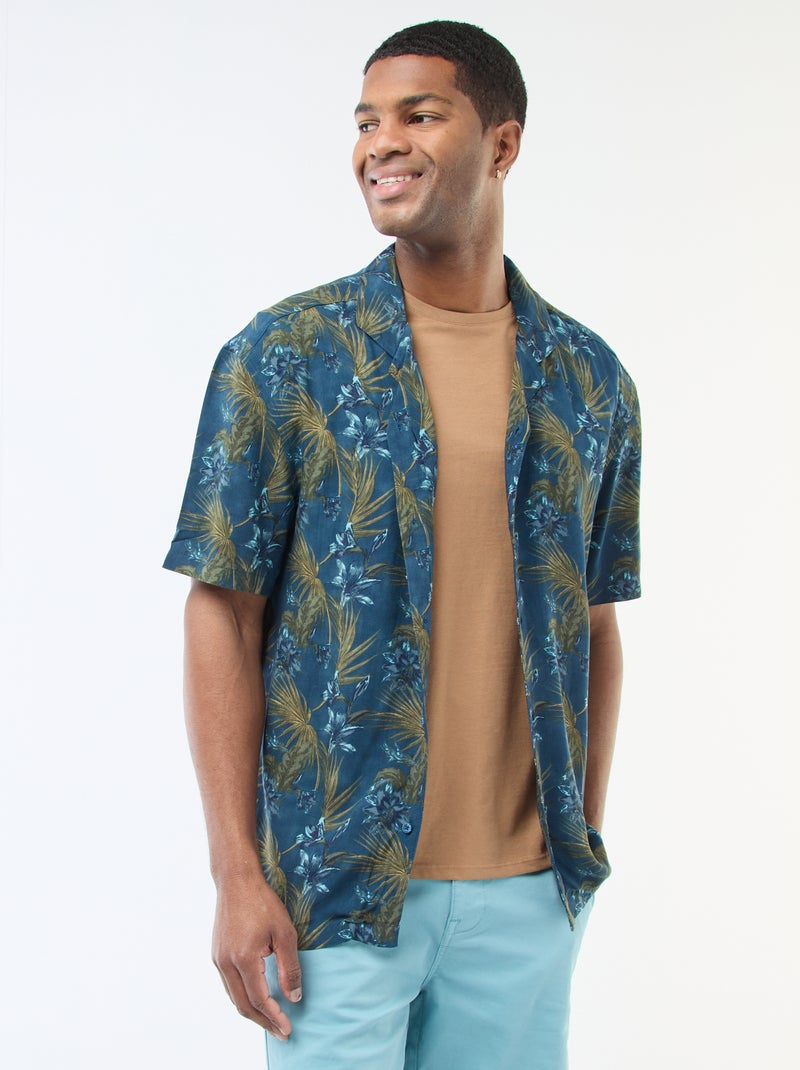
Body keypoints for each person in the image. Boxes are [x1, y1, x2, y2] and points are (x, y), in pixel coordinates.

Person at [164, 19, 641, 1070]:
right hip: (335, 892)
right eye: (366, 121)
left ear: (502, 144)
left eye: (420, 115)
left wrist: (578, 840)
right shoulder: (286, 355)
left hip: (527, 898)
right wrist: (236, 872)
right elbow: (221, 609)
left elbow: (596, 622)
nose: (381, 142)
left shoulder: (589, 379)